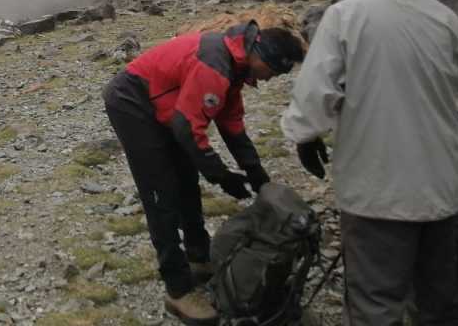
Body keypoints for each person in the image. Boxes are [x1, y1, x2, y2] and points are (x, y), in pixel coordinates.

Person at [281, 0, 458, 326]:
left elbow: (314, 94)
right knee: (438, 298)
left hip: (373, 190)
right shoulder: (442, 16)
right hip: (440, 186)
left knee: (375, 303)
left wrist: (303, 135)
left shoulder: (345, 16)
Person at [103, 20, 306, 325]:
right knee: (162, 193)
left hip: (164, 104)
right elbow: (187, 128)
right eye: (273, 72)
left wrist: (257, 176)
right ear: (262, 55)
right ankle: (178, 289)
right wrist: (220, 174)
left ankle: (198, 257)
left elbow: (232, 127)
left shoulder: (234, 66)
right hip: (132, 101)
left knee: (186, 178)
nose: (268, 80)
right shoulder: (217, 65)